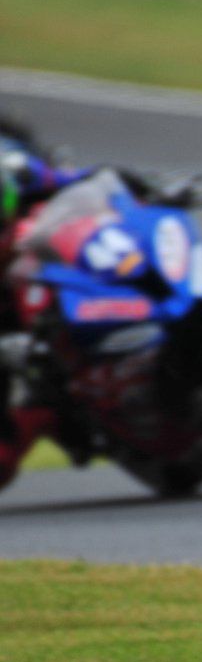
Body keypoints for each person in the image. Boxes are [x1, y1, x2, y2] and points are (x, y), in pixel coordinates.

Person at [0, 120, 87, 492]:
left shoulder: (20, 171)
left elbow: (85, 181)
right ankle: (56, 418)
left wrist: (123, 182)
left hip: (63, 279)